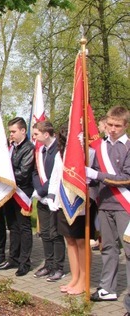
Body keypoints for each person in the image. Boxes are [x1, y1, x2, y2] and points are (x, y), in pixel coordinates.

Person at [86, 106, 130, 307]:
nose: (112, 129)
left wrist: (98, 176)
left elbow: (126, 179)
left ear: (125, 125)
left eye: (117, 126)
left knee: (128, 251)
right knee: (109, 248)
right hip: (104, 204)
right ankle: (107, 288)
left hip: (124, 206)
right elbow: (94, 173)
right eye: (110, 125)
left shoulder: (128, 147)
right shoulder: (100, 147)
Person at [51, 125, 96, 296]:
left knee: (81, 242)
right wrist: (54, 200)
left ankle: (84, 280)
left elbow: (93, 178)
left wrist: (90, 200)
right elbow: (56, 178)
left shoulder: (89, 153)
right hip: (64, 202)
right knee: (69, 240)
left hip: (81, 203)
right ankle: (75, 277)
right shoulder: (59, 154)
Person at [0, 117, 35, 277]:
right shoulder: (12, 147)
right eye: (9, 131)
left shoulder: (29, 148)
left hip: (22, 192)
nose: (10, 134)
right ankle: (13, 258)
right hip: (10, 191)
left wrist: (4, 176)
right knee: (12, 226)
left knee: (24, 228)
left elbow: (24, 173)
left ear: (23, 131)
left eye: (13, 131)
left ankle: (24, 262)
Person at [31, 121, 66, 282]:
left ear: (46, 134)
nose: (34, 137)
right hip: (42, 198)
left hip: (54, 198)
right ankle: (49, 264)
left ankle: (59, 268)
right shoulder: (40, 151)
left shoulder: (58, 151)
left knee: (55, 234)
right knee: (44, 233)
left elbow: (56, 176)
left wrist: (41, 190)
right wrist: (38, 190)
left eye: (36, 134)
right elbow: (35, 172)